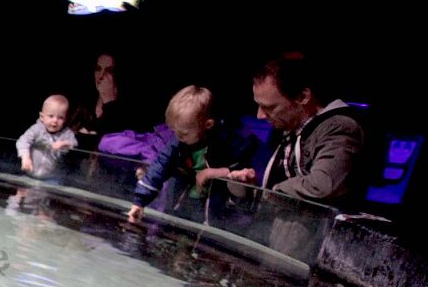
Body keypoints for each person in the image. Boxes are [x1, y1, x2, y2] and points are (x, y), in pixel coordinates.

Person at [126, 86, 257, 224]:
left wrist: (215, 172)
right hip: (183, 206)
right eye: (174, 131)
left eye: (183, 133)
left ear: (208, 124)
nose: (177, 136)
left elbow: (244, 170)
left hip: (217, 214)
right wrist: (139, 202)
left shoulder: (227, 141)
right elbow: (160, 166)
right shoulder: (178, 142)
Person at [251, 54, 367, 206]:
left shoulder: (339, 127)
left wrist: (273, 191)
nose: (259, 115)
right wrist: (249, 184)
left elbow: (322, 184)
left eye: (270, 107)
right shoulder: (287, 128)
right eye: (259, 105)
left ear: (303, 97)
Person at [69, 52, 135, 137]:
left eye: (109, 71)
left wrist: (109, 102)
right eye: (98, 69)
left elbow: (117, 137)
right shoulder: (84, 101)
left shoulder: (129, 108)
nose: (101, 76)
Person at [17, 94, 77, 178]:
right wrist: (25, 157)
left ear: (65, 119)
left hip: (51, 177)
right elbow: (23, 141)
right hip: (29, 173)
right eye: (51, 116)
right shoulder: (36, 129)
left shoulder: (66, 133)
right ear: (42, 117)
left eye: (60, 117)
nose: (55, 120)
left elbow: (74, 144)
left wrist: (64, 143)